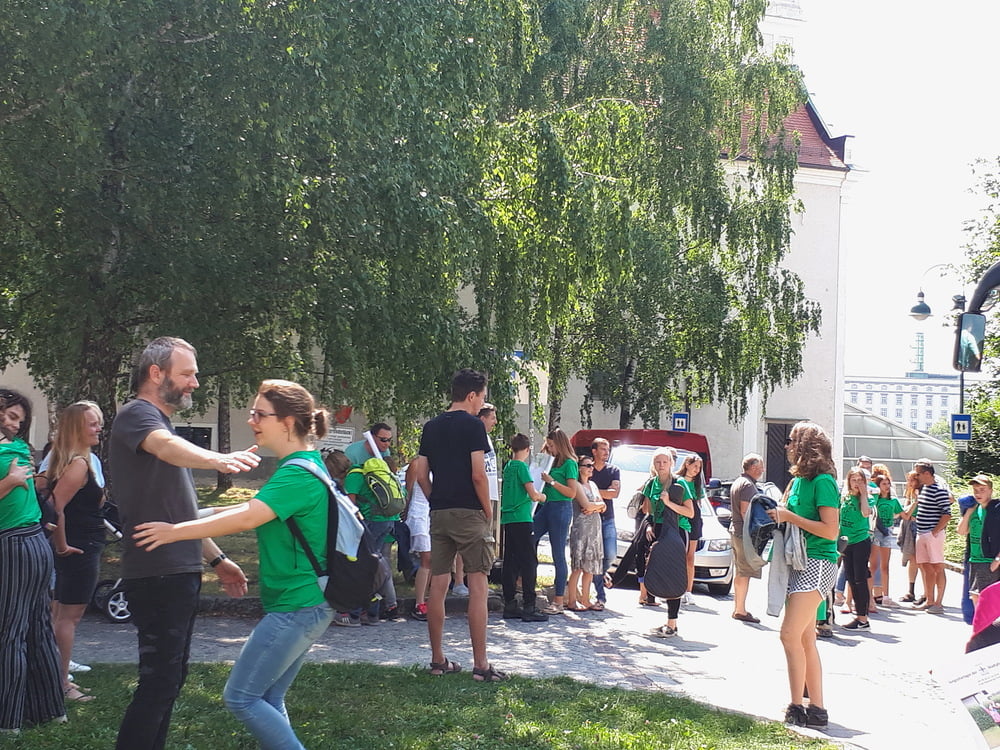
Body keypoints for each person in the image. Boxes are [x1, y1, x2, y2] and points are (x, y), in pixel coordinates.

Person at [134, 379, 333, 750]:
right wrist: (192, 514)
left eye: (260, 414)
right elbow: (250, 508)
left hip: (298, 604)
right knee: (268, 698)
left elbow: (247, 518)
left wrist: (174, 532)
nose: (251, 420)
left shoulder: (297, 473)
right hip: (306, 603)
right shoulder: (303, 466)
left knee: (241, 698)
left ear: (288, 422)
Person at [112, 336, 260, 750]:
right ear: (156, 373)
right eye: (188, 374)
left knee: (170, 679)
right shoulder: (138, 415)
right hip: (156, 571)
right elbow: (166, 447)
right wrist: (218, 459)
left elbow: (182, 513)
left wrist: (217, 560)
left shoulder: (160, 424)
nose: (195, 382)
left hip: (177, 570)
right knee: (159, 681)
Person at [415, 368, 506, 681]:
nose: (482, 403)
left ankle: (438, 660)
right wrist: (487, 510)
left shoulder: (431, 426)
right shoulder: (473, 425)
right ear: (471, 395)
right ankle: (481, 665)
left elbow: (421, 473)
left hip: (439, 512)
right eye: (482, 397)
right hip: (469, 512)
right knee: (478, 585)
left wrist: (435, 499)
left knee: (438, 586)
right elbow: (478, 474)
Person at [766, 421, 840, 730]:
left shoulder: (823, 482)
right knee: (806, 637)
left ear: (806, 445)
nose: (787, 445)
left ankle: (797, 706)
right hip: (797, 562)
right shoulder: (798, 481)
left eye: (792, 440)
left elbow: (831, 531)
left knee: (789, 634)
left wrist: (789, 516)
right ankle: (817, 710)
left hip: (818, 562)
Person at [0, 389, 65, 731]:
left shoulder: (9, 453)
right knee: (38, 630)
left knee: (8, 634)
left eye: (18, 420)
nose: (14, 425)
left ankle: (7, 720)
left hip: (14, 544)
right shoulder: (19, 450)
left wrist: (9, 481)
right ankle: (50, 710)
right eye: (11, 417)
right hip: (36, 544)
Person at [46, 401, 107, 702]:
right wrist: (62, 545)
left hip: (81, 545)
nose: (99, 429)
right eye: (92, 424)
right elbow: (55, 507)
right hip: (80, 548)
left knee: (60, 614)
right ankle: (61, 684)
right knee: (69, 617)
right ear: (76, 429)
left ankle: (53, 679)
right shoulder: (79, 465)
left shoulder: (75, 460)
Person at [343, 422, 400, 625]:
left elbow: (351, 504)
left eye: (389, 441)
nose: (387, 445)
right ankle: (375, 612)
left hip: (371, 522)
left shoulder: (355, 474)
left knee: (363, 565)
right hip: (387, 520)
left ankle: (355, 614)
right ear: (372, 439)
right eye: (383, 440)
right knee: (376, 565)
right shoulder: (378, 465)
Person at [499, 433, 548, 622]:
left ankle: (510, 603)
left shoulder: (508, 466)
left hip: (508, 518)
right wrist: (543, 497)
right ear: (527, 450)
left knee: (510, 561)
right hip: (522, 517)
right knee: (529, 562)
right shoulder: (522, 467)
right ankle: (529, 605)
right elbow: (533, 494)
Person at [534, 428, 580, 614]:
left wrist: (552, 481)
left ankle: (559, 600)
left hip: (561, 508)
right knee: (529, 537)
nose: (550, 449)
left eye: (552, 445)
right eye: (548, 445)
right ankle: (525, 581)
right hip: (546, 507)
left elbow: (572, 493)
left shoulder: (570, 463)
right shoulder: (552, 461)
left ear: (560, 444)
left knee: (557, 553)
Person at [910, 459, 952, 615]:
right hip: (922, 532)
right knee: (925, 567)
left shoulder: (939, 490)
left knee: (938, 567)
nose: (917, 476)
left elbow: (947, 513)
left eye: (918, 474)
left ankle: (938, 603)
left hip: (932, 534)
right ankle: (929, 600)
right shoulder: (925, 489)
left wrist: (935, 531)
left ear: (927, 473)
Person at [565, 457, 606, 612]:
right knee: (578, 567)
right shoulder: (576, 485)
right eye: (587, 465)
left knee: (590, 568)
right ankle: (572, 600)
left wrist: (596, 507)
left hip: (595, 530)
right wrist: (596, 506)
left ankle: (586, 599)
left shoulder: (593, 485)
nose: (591, 468)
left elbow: (603, 506)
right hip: (581, 529)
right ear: (580, 468)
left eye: (592, 465)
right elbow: (586, 505)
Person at [729, 453, 764, 623]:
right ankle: (740, 610)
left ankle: (738, 607)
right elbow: (745, 511)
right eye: (761, 467)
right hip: (743, 533)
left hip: (735, 530)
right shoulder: (748, 485)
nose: (763, 470)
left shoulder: (739, 481)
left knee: (740, 571)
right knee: (744, 572)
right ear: (754, 468)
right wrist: (753, 533)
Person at [958, 475, 1000, 612]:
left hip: (989, 560)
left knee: (984, 599)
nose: (978, 493)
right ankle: (981, 625)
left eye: (982, 490)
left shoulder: (997, 509)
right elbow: (962, 531)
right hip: (974, 560)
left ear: (990, 491)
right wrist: (968, 512)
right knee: (976, 596)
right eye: (975, 490)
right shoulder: (974, 510)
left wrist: (997, 559)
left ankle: (984, 625)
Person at [839, 467, 873, 630]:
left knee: (860, 579)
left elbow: (866, 513)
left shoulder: (868, 498)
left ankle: (863, 618)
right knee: (851, 578)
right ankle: (857, 615)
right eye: (854, 480)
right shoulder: (845, 497)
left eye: (860, 480)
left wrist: (864, 494)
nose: (857, 483)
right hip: (846, 542)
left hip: (860, 540)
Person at [589, 437, 620, 609]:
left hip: (608, 518)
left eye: (608, 449)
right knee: (595, 557)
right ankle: (601, 597)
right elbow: (580, 490)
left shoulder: (613, 470)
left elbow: (614, 493)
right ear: (594, 451)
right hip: (590, 519)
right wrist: (603, 492)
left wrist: (591, 490)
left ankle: (601, 573)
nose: (606, 452)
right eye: (603, 449)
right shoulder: (588, 468)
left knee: (611, 554)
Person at [404, 456, 432, 622]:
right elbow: (408, 492)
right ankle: (419, 603)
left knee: (432, 560)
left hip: (432, 513)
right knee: (426, 558)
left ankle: (426, 598)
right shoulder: (416, 463)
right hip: (419, 512)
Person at [675, 454, 705, 605]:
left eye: (699, 468)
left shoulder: (697, 484)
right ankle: (675, 587)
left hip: (695, 521)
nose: (697, 470)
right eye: (695, 466)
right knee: (677, 555)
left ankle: (688, 590)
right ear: (687, 464)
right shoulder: (678, 480)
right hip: (681, 519)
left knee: (690, 557)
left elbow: (699, 503)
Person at [869, 472, 903, 608]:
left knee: (885, 566)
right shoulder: (875, 500)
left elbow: (904, 515)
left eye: (888, 484)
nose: (887, 486)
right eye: (884, 484)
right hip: (876, 531)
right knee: (873, 565)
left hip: (887, 532)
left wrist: (915, 504)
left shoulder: (893, 500)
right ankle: (869, 596)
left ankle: (886, 596)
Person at [899, 470, 924, 605]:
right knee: (913, 559)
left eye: (912, 480)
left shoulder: (924, 492)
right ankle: (911, 591)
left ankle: (926, 593)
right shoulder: (909, 493)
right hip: (910, 525)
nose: (909, 482)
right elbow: (905, 512)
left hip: (921, 526)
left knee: (922, 561)